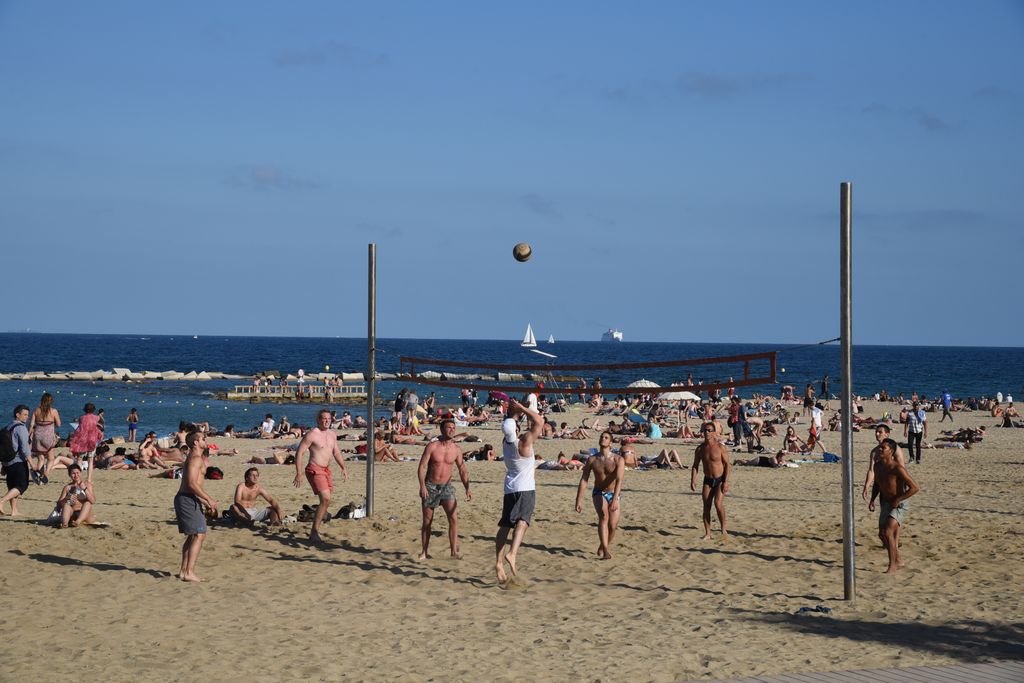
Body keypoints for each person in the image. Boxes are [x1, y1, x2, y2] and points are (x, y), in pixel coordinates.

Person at [494, 398, 544, 583]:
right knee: (523, 522)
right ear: (517, 430)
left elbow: (509, 426)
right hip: (525, 489)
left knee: (505, 526)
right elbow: (540, 422)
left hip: (509, 489)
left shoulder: (506, 443)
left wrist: (515, 412)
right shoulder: (524, 442)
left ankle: (498, 562)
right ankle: (512, 554)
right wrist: (523, 408)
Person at [416, 418, 472, 560]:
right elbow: (422, 466)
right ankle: (424, 552)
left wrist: (467, 487)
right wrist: (422, 486)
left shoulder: (456, 449)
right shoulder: (432, 446)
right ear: (442, 430)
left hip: (447, 487)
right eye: (448, 427)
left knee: (453, 519)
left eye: (453, 427)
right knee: (427, 521)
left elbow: (462, 469)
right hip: (430, 486)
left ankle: (454, 551)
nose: (452, 430)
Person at [293, 409, 348, 545]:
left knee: (326, 501)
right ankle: (314, 532)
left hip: (326, 470)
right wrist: (299, 472)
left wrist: (343, 467)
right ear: (318, 420)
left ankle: (315, 526)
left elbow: (336, 452)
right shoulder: (312, 434)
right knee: (326, 498)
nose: (326, 421)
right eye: (323, 418)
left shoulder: (332, 434)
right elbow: (299, 453)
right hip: (314, 469)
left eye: (328, 418)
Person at [868, 438, 920, 573]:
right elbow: (877, 484)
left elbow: (914, 488)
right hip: (885, 502)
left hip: (899, 503)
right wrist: (872, 499)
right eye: (879, 447)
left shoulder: (897, 468)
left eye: (883, 448)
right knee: (881, 534)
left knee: (888, 532)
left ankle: (892, 566)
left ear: (891, 451)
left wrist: (899, 499)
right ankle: (897, 558)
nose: (879, 450)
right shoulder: (877, 466)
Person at [173, 431, 218, 582]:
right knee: (199, 534)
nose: (206, 440)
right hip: (187, 498)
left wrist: (204, 502)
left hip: (191, 498)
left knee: (193, 535)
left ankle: (184, 571)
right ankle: (189, 572)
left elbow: (194, 484)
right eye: (203, 439)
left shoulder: (196, 458)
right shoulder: (196, 459)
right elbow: (191, 483)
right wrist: (209, 499)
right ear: (195, 443)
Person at [574, 431, 625, 559]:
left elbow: (619, 480)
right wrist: (578, 500)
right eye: (602, 437)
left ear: (610, 443)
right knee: (603, 517)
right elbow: (584, 479)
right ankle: (606, 550)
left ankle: (603, 545)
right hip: (598, 492)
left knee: (613, 526)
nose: (603, 438)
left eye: (606, 437)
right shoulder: (592, 459)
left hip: (614, 493)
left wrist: (614, 499)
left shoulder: (618, 459)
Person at [690, 422, 731, 540]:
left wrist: (726, 481)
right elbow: (695, 465)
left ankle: (723, 528)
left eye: (709, 430)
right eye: (704, 430)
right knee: (706, 507)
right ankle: (708, 533)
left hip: (720, 479)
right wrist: (693, 480)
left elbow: (728, 464)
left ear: (713, 432)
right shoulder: (700, 449)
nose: (706, 433)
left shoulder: (720, 447)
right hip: (707, 480)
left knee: (718, 504)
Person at [0, 405, 33, 516]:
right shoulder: (21, 428)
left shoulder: (8, 426)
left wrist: (3, 465)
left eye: (28, 415)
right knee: (21, 486)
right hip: (18, 461)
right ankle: (1, 501)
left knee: (12, 486)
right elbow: (25, 448)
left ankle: (14, 510)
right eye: (24, 414)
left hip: (7, 461)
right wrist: (32, 464)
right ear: (17, 415)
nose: (27, 417)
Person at [862, 424, 907, 500]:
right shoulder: (874, 452)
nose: (877, 434)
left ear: (887, 434)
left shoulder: (895, 449)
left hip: (895, 487)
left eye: (880, 432)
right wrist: (866, 486)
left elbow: (902, 467)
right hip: (883, 486)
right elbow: (871, 470)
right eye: (876, 432)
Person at [29, 392, 61, 484]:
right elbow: (59, 424)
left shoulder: (36, 410)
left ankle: (38, 477)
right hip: (48, 437)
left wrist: (28, 435)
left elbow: (31, 424)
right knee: (51, 459)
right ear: (51, 401)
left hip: (37, 436)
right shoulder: (53, 411)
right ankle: (46, 474)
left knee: (41, 459)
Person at [54, 463, 96, 528]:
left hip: (85, 515)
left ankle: (78, 521)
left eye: (77, 473)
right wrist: (66, 498)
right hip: (72, 515)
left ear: (80, 472)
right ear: (70, 475)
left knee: (88, 503)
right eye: (73, 473)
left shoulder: (87, 485)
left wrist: (84, 489)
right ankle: (64, 524)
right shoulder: (67, 487)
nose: (76, 475)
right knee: (66, 506)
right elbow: (59, 505)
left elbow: (93, 501)